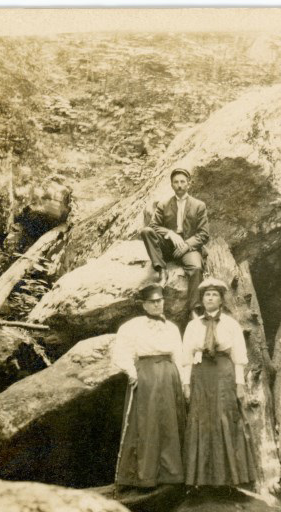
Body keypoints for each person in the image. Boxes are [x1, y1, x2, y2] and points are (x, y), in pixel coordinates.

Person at [182, 277, 257, 489]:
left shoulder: (231, 325)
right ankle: (201, 480)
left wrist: (240, 384)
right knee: (202, 418)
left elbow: (239, 356)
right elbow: (186, 357)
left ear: (221, 300)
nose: (210, 298)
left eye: (214, 295)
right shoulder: (193, 326)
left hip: (224, 372)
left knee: (225, 416)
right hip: (201, 374)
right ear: (202, 299)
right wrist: (186, 384)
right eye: (207, 295)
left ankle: (229, 479)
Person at [112, 283, 186, 488]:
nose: (157, 305)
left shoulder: (171, 327)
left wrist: (182, 379)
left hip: (169, 374)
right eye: (152, 302)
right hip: (146, 374)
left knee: (170, 421)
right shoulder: (132, 326)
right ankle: (145, 476)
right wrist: (132, 373)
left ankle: (171, 474)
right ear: (144, 305)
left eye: (160, 301)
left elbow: (178, 354)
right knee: (146, 422)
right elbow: (121, 353)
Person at [140, 167, 209, 316]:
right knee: (146, 232)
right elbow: (153, 226)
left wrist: (186, 245)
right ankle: (161, 270)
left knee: (196, 268)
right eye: (176, 182)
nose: (179, 185)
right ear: (171, 185)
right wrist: (170, 233)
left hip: (188, 248)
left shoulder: (199, 206)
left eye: (182, 182)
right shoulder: (164, 204)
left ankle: (194, 309)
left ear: (189, 184)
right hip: (167, 246)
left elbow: (204, 234)